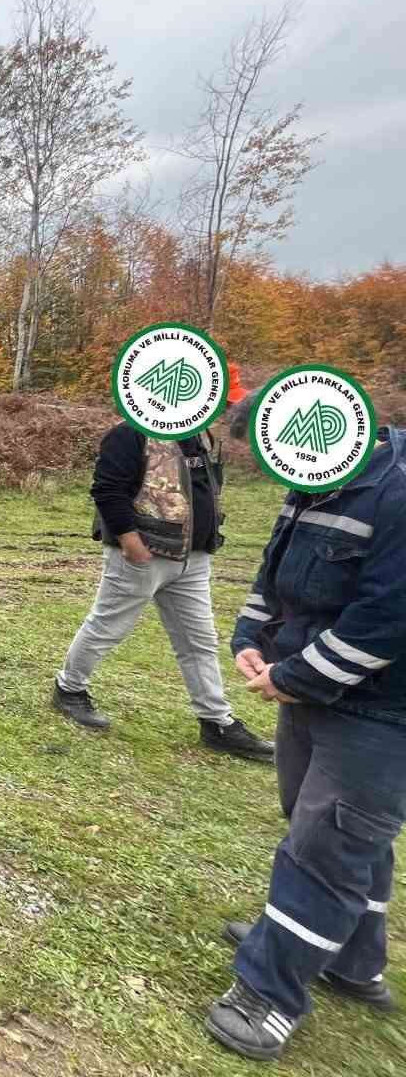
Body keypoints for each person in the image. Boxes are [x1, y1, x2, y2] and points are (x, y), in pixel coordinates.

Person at [205, 405, 406, 1061]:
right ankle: (351, 959)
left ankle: (268, 992)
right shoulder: (316, 482)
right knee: (334, 833)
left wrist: (300, 676)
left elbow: (387, 616)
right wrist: (250, 640)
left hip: (381, 709)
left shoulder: (397, 493)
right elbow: (276, 576)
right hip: (313, 691)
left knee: (327, 845)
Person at [50, 376, 273, 761]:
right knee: (107, 627)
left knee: (199, 641)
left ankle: (217, 722)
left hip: (193, 558)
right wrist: (132, 544)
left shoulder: (200, 435)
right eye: (222, 402)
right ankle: (69, 688)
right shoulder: (130, 434)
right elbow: (106, 490)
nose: (224, 410)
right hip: (144, 556)